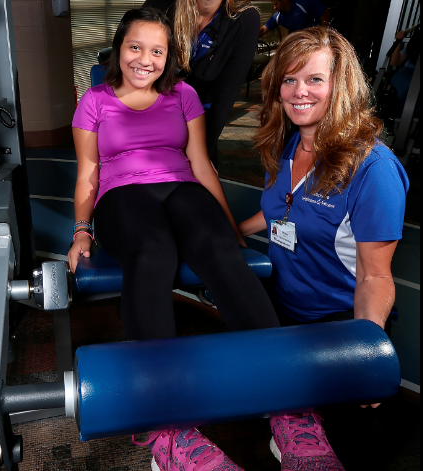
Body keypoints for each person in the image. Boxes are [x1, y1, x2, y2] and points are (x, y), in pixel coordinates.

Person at [69, 8, 279, 471]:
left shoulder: (183, 94)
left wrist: (227, 226)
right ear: (119, 49)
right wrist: (82, 231)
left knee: (219, 251)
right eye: (135, 47)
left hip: (181, 187)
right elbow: (88, 174)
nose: (145, 59)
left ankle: (288, 411)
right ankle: (166, 428)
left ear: (169, 57)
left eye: (157, 51)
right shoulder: (95, 102)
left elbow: (201, 164)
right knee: (153, 251)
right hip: (121, 195)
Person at [239, 27, 409, 470]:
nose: (299, 92)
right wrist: (236, 230)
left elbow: (375, 276)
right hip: (282, 308)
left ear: (341, 85)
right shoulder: (287, 142)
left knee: (360, 449)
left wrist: (363, 352)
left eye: (315, 79)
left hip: (338, 321)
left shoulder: (374, 170)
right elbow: (282, 209)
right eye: (289, 79)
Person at [143, 0, 261, 166]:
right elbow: (131, 55)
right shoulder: (164, 5)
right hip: (147, 117)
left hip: (199, 124)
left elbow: (224, 98)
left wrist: (200, 157)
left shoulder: (244, 18)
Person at [258, 0, 329, 38]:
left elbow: (324, 11)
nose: (274, 7)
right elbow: (263, 29)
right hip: (302, 43)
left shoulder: (303, 3)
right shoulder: (279, 17)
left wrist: (327, 34)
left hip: (317, 39)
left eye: (276, 4)